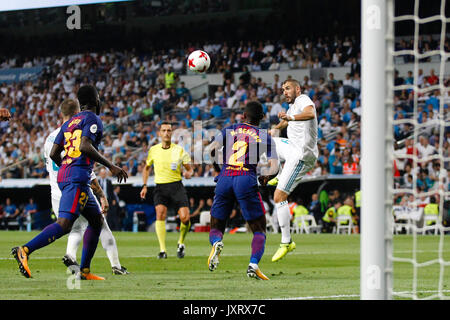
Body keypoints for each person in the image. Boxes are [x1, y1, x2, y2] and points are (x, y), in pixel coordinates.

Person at [11, 85, 128, 280]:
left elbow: (54, 153)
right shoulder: (92, 119)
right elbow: (84, 145)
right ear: (96, 100)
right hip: (77, 178)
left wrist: (67, 167)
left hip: (66, 176)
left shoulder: (69, 123)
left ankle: (85, 271)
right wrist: (111, 166)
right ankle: (25, 250)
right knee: (65, 224)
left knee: (97, 220)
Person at [43, 99, 129, 275]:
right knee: (99, 223)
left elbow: (53, 157)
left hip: (57, 190)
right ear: (77, 113)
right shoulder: (76, 132)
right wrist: (102, 195)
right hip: (76, 186)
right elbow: (83, 165)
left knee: (76, 227)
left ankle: (70, 255)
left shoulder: (50, 138)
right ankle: (116, 265)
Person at [207, 101, 279, 280]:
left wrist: (218, 169)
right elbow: (275, 167)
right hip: (246, 177)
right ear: (261, 118)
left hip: (225, 177)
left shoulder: (229, 129)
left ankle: (217, 242)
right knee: (259, 230)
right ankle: (253, 264)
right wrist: (267, 177)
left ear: (243, 116)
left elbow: (211, 150)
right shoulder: (265, 136)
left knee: (216, 225)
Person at [268, 79, 318, 262]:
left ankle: (286, 242)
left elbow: (310, 113)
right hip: (292, 149)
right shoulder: (293, 106)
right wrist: (275, 129)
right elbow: (286, 122)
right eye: (283, 89)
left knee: (279, 197)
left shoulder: (304, 100)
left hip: (302, 155)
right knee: (266, 142)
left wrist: (290, 118)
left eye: (288, 88)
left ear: (298, 89)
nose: (285, 92)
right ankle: (279, 173)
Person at [140, 121, 194, 259]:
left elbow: (190, 169)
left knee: (185, 217)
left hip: (176, 186)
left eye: (169, 130)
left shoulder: (179, 150)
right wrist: (144, 185)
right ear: (159, 133)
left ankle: (181, 242)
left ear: (172, 133)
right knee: (160, 214)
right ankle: (162, 250)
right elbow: (146, 168)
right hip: (160, 186)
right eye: (163, 130)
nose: (166, 133)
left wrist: (189, 174)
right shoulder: (154, 150)